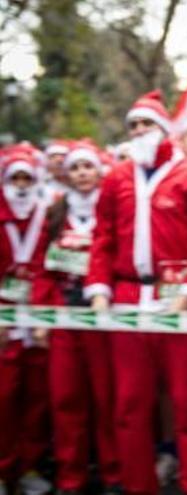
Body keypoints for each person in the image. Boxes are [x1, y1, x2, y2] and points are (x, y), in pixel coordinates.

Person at [84, 90, 187, 494]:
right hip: (128, 297)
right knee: (129, 403)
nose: (139, 131)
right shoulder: (116, 177)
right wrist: (99, 290)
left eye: (147, 124)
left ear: (165, 130)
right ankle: (136, 484)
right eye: (133, 125)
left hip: (179, 300)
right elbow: (102, 238)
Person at [30, 141, 122, 494]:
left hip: (103, 318)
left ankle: (113, 474)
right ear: (67, 174)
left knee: (106, 398)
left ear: (99, 171)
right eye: (76, 168)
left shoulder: (111, 209)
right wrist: (42, 316)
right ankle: (71, 476)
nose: (83, 174)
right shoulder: (55, 213)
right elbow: (42, 269)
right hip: (64, 318)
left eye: (88, 167)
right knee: (66, 400)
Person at [0, 149, 53, 495]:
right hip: (4, 322)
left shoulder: (48, 216)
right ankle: (3, 470)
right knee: (4, 399)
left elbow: (52, 268)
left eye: (27, 179)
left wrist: (45, 316)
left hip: (38, 319)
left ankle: (30, 463)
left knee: (37, 398)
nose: (21, 187)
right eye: (14, 179)